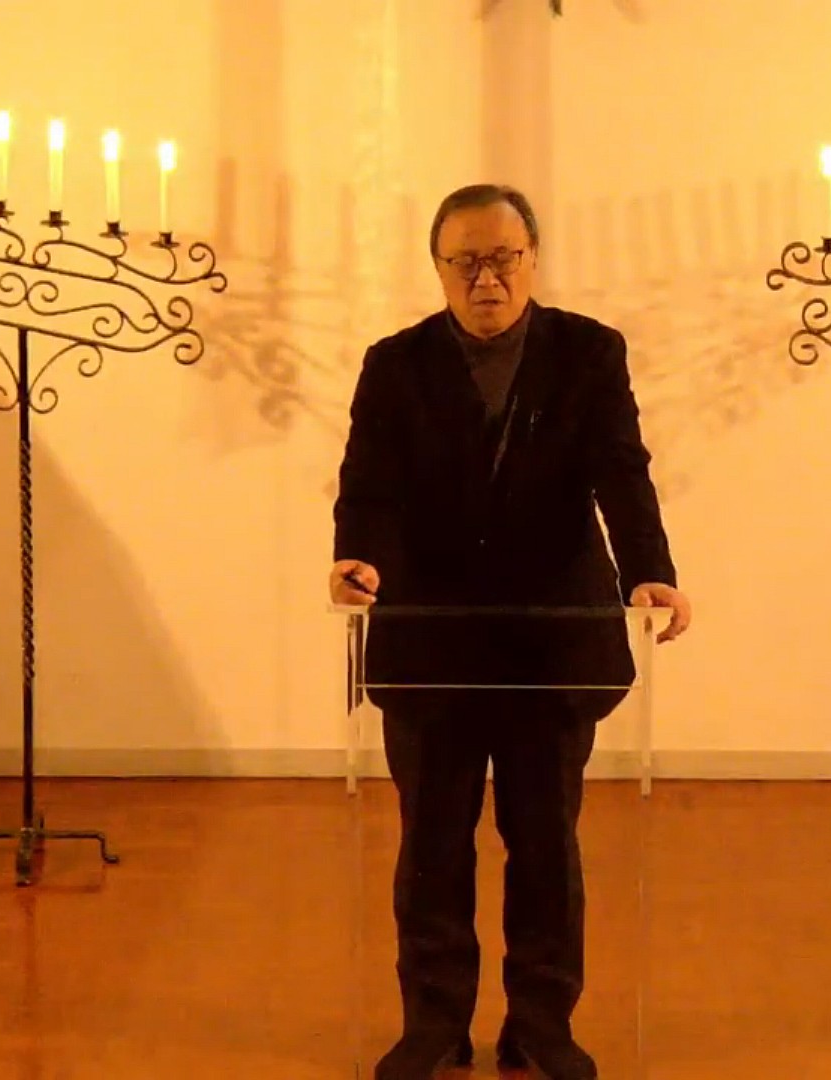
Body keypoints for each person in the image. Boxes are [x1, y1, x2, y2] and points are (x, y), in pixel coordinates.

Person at [329, 183, 691, 1080]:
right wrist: (356, 559)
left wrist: (651, 570)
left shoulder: (589, 352)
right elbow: (368, 483)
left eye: (503, 259)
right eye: (466, 262)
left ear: (532, 260)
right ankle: (433, 1026)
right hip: (431, 644)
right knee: (431, 850)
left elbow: (621, 470)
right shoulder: (395, 364)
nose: (486, 278)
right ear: (438, 267)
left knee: (546, 847)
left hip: (549, 644)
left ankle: (541, 1025)